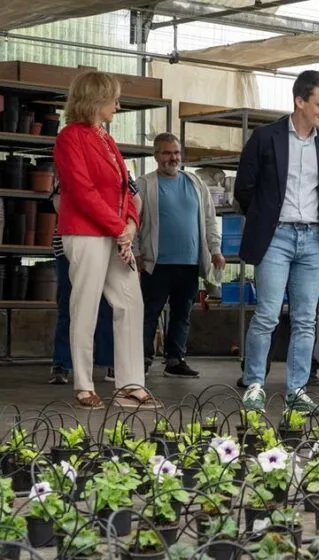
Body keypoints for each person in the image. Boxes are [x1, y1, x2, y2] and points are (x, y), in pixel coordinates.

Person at [235, 70, 319, 413]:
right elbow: (244, 189)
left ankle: (297, 389)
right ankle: (254, 384)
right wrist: (266, 219)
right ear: (300, 101)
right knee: (266, 314)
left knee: (306, 318)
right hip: (275, 236)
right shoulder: (266, 137)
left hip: (312, 238)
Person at [53, 71, 155, 409]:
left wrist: (130, 222)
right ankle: (84, 384)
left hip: (113, 234)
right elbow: (82, 192)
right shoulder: (70, 138)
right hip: (84, 233)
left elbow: (126, 188)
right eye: (113, 98)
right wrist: (118, 226)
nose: (118, 104)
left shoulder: (106, 139)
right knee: (84, 306)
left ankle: (130, 384)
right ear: (95, 100)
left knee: (131, 301)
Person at [136, 133, 225, 378]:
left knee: (182, 314)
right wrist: (136, 254)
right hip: (156, 264)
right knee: (149, 313)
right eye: (166, 153)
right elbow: (131, 220)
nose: (172, 158)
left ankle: (175, 360)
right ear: (156, 156)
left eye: (176, 152)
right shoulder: (145, 184)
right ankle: (141, 359)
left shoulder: (196, 184)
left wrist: (215, 251)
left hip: (189, 262)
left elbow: (209, 220)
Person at [48, 180, 142, 385]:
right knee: (70, 305)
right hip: (75, 243)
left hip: (110, 241)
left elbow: (135, 199)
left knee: (110, 306)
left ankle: (111, 363)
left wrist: (125, 229)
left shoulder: (118, 170)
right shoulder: (74, 166)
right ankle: (63, 364)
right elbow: (58, 202)